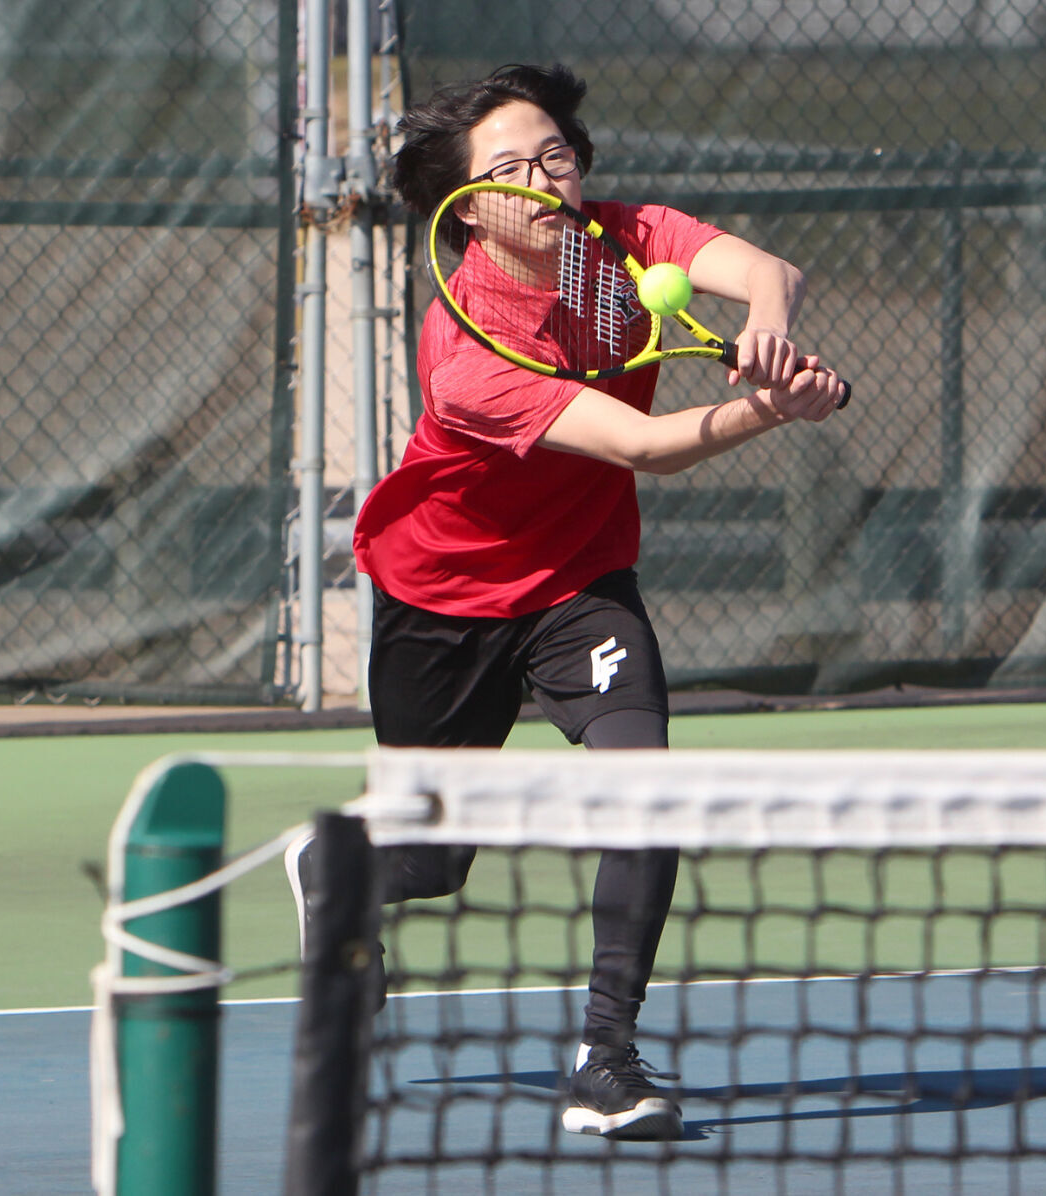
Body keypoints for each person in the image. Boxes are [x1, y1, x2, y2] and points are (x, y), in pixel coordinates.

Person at [287, 62, 848, 1142]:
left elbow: (768, 268)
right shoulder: (467, 349)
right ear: (466, 205)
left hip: (579, 582)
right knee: (434, 860)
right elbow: (642, 444)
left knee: (645, 788)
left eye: (555, 155)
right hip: (445, 597)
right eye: (508, 168)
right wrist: (764, 415)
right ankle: (340, 858)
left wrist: (768, 329)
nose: (542, 179)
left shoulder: (623, 239)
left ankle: (605, 1056)